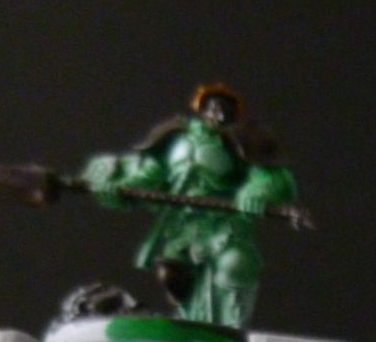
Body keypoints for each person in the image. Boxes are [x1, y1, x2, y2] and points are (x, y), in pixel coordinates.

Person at [81, 84, 297, 329]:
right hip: (180, 223)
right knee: (172, 276)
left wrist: (255, 192)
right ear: (201, 108)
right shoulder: (176, 137)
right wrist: (121, 189)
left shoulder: (240, 140)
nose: (218, 114)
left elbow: (270, 175)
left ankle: (231, 328)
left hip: (222, 222)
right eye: (213, 107)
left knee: (235, 264)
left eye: (225, 109)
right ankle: (192, 323)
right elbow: (151, 175)